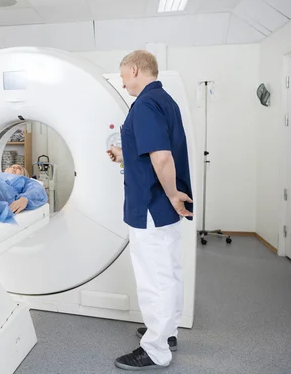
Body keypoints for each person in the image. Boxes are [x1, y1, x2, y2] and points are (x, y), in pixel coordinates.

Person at [107, 50, 193, 370]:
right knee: (169, 270)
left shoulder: (143, 104)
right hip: (162, 207)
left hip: (151, 205)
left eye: (122, 75)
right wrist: (123, 155)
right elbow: (151, 154)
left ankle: (156, 349)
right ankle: (167, 331)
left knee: (153, 277)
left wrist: (171, 195)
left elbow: (161, 157)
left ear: (134, 70)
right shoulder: (165, 100)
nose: (122, 82)